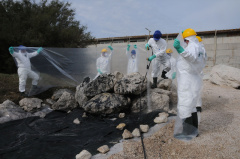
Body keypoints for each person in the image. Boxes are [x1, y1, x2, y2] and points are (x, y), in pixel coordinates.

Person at [173, 28, 205, 140]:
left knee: (185, 105)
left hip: (187, 80)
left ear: (187, 39)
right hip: (193, 79)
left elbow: (191, 57)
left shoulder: (193, 47)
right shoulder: (200, 48)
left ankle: (187, 133)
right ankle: (194, 131)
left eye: (185, 40)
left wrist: (179, 49)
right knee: (191, 106)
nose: (185, 42)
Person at [196, 36, 208, 123]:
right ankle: (198, 106)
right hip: (199, 71)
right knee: (198, 89)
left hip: (196, 72)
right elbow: (205, 59)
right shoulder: (202, 48)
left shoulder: (196, 48)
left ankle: (196, 106)